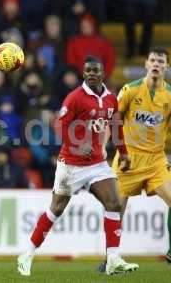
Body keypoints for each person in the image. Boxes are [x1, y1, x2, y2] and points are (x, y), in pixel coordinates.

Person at [17, 56, 139, 276]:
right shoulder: (75, 98)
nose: (91, 74)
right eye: (87, 71)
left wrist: (124, 153)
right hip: (71, 165)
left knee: (114, 202)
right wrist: (75, 146)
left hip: (97, 164)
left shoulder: (111, 99)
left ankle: (113, 259)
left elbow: (117, 127)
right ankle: (27, 254)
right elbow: (60, 126)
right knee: (56, 209)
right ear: (83, 74)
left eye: (95, 70)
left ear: (103, 73)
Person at [98, 47, 171, 272]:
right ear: (146, 64)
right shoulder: (130, 90)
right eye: (152, 60)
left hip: (155, 160)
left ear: (167, 67)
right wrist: (103, 147)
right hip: (128, 158)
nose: (156, 64)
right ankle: (110, 258)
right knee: (116, 209)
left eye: (160, 61)